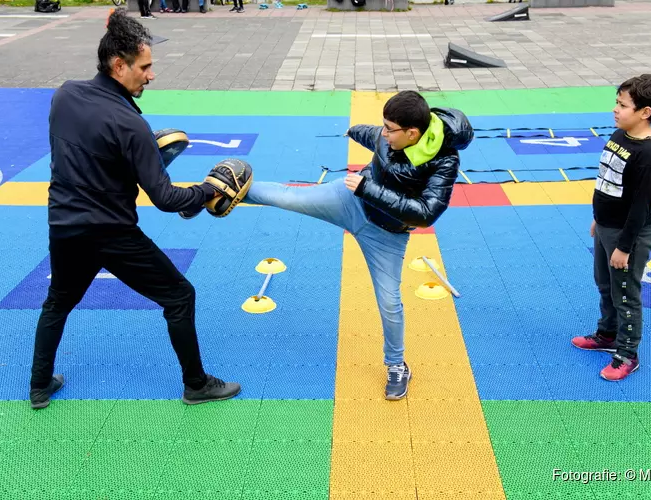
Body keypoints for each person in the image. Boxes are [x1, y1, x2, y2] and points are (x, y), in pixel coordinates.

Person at [185, 91, 474, 400]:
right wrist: (352, 131)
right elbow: (371, 134)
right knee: (287, 196)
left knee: (390, 303)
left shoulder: (444, 162)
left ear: (412, 133)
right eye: (384, 126)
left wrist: (369, 189)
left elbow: (426, 214)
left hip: (386, 235)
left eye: (390, 129)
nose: (384, 133)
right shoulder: (390, 136)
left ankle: (396, 365)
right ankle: (206, 194)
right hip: (349, 201)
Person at [28, 8, 240, 409]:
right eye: (144, 67)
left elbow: (88, 154)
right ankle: (196, 384)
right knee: (179, 296)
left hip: (64, 226)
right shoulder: (131, 125)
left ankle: (39, 386)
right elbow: (166, 200)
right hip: (111, 234)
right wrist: (208, 189)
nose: (151, 75)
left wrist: (141, 161)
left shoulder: (64, 94)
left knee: (57, 301)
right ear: (118, 64)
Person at [572, 74, 651, 381]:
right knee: (604, 284)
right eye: (617, 102)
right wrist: (598, 219)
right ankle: (608, 334)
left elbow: (640, 208)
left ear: (645, 113)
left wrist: (624, 247)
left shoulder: (649, 157)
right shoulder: (619, 135)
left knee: (625, 293)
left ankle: (627, 353)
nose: (615, 109)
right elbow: (607, 183)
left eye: (623, 105)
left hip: (629, 233)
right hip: (606, 225)